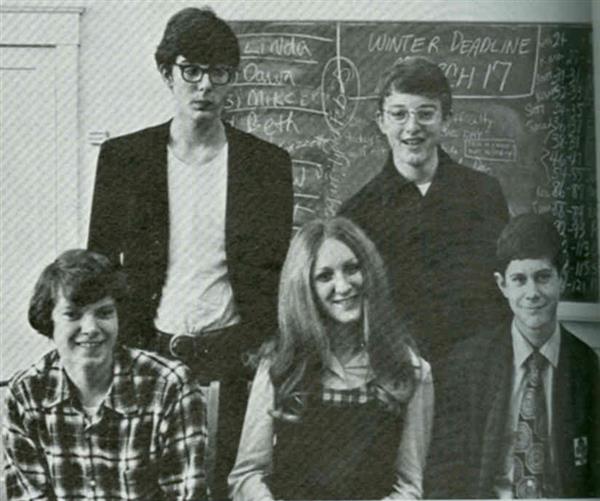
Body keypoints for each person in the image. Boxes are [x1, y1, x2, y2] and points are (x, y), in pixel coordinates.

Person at [87, 7, 293, 497]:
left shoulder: (266, 165)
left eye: (218, 73)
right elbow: (98, 268)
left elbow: (279, 270)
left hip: (235, 363)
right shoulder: (124, 159)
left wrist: (266, 349)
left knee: (225, 487)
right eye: (191, 71)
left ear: (231, 79)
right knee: (145, 487)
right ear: (167, 73)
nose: (204, 86)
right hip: (146, 356)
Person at [229, 217, 433, 500]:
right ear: (305, 288)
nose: (343, 286)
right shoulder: (280, 365)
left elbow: (409, 485)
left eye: (352, 269)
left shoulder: (409, 369)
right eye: (325, 276)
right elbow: (247, 475)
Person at [340, 56, 509, 371]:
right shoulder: (356, 213)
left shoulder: (483, 194)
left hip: (476, 372)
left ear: (446, 120)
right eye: (399, 114)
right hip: (393, 372)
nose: (412, 127)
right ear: (381, 122)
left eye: (426, 113)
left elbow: (502, 293)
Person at [2, 249, 206, 500]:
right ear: (48, 320)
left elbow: (187, 495)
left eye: (104, 313)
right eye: (72, 314)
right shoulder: (24, 394)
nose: (90, 328)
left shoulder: (170, 386)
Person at [425, 213, 599, 498]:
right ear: (502, 285)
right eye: (519, 279)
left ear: (563, 279)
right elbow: (445, 472)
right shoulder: (468, 364)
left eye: (543, 277)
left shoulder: (587, 367)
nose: (532, 293)